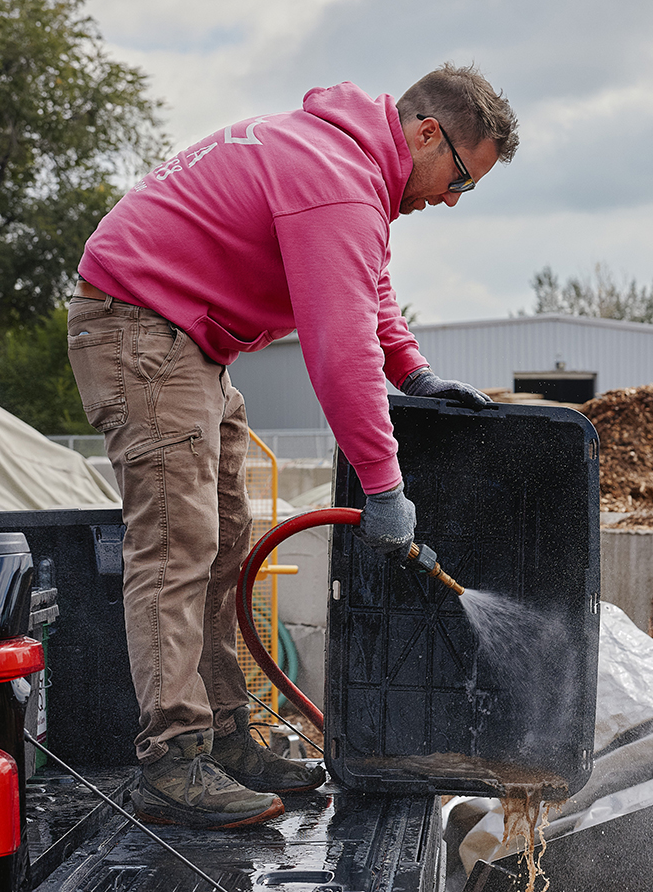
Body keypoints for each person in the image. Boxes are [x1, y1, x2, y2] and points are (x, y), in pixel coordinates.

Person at [67, 63, 519, 829]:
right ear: (427, 133)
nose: (449, 200)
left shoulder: (354, 172)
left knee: (222, 546)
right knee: (178, 548)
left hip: (186, 340)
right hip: (140, 326)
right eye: (460, 181)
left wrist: (418, 373)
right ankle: (172, 763)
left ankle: (225, 738)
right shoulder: (338, 180)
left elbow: (369, 292)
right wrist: (385, 489)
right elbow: (340, 355)